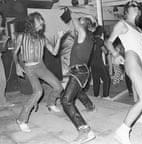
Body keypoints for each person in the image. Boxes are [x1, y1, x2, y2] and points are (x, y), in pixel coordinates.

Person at [105, 1, 142, 144]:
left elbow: (141, 50)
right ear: (127, 9)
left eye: (138, 5)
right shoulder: (122, 24)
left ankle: (140, 116)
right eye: (133, 4)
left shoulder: (138, 29)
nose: (136, 6)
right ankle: (122, 131)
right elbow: (108, 42)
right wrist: (115, 54)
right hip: (132, 59)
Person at [13, 12, 64, 132]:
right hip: (29, 68)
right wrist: (17, 65)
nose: (42, 22)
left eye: (42, 20)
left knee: (58, 87)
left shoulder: (42, 38)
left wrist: (60, 38)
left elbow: (55, 52)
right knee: (38, 92)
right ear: (32, 22)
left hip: (41, 66)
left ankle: (51, 104)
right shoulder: (22, 36)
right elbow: (15, 52)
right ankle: (21, 119)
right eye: (39, 20)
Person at [60, 11, 96, 144]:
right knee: (77, 91)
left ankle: (85, 130)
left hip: (79, 72)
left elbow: (75, 21)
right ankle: (90, 106)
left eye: (82, 22)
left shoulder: (84, 34)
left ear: (85, 25)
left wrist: (72, 12)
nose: (78, 23)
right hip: (79, 71)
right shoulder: (87, 36)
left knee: (66, 100)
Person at [90, 26, 111, 99]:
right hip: (99, 62)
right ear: (101, 33)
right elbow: (105, 52)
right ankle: (105, 96)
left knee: (96, 80)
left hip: (92, 63)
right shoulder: (100, 41)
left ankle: (96, 95)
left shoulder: (90, 40)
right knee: (106, 79)